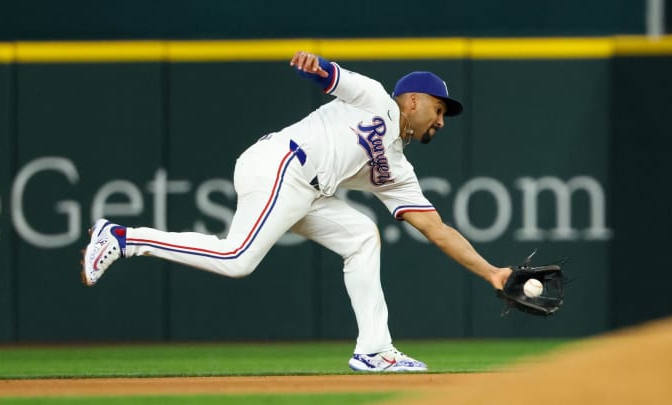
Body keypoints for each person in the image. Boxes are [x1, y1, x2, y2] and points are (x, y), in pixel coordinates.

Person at [82, 51, 512, 372]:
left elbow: (437, 230)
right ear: (413, 101)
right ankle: (122, 239)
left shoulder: (397, 171)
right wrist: (319, 66)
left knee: (362, 236)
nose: (440, 121)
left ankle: (375, 349)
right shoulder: (377, 100)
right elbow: (337, 79)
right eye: (439, 110)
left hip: (306, 189)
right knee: (236, 260)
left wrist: (492, 272)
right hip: (281, 163)